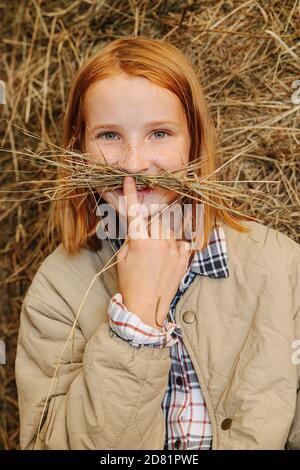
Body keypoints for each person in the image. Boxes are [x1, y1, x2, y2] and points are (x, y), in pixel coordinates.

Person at [15, 37, 300, 450]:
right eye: (109, 135)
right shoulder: (57, 291)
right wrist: (137, 320)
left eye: (160, 134)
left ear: (194, 143)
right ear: (78, 148)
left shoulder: (282, 266)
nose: (133, 162)